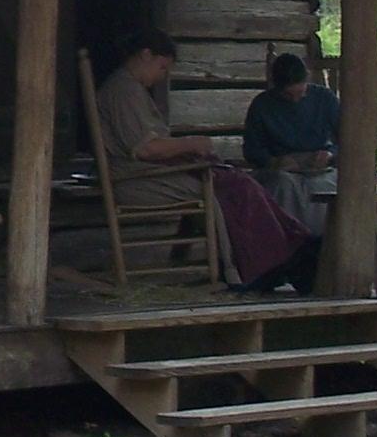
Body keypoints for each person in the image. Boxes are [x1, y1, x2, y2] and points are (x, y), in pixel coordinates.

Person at [95, 33, 317, 293]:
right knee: (225, 190)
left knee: (238, 182)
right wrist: (192, 144)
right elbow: (146, 149)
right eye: (162, 66)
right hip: (138, 178)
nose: (163, 75)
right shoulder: (124, 89)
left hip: (153, 172)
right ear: (146, 55)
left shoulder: (132, 89)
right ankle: (249, 267)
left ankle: (286, 249)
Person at [241, 52, 343, 234]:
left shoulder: (324, 99)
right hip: (281, 171)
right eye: (289, 96)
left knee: (325, 187)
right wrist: (273, 162)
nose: (295, 100)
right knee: (284, 186)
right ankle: (291, 241)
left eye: (300, 94)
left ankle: (324, 241)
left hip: (319, 169)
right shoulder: (262, 105)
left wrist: (331, 154)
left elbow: (346, 140)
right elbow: (252, 150)